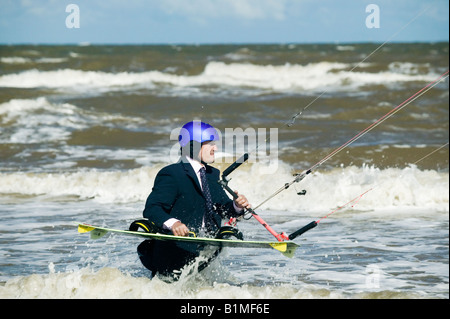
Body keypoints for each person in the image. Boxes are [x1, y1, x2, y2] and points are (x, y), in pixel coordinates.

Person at [137, 120, 251, 279]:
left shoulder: (212, 174)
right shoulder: (172, 173)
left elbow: (222, 208)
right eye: (210, 143)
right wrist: (173, 223)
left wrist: (237, 205)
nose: (215, 148)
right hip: (173, 255)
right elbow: (152, 208)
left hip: (204, 254)